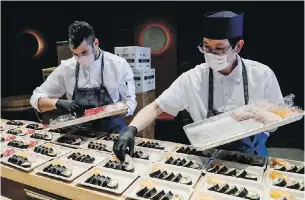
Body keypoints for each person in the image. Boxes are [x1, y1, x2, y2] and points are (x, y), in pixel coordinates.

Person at [113, 11, 284, 161]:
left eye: (219, 49)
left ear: (238, 46)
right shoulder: (193, 78)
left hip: (252, 157)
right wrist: (131, 129)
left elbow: (278, 119)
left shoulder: (262, 75)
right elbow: (156, 107)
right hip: (209, 159)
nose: (210, 54)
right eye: (206, 47)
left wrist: (256, 115)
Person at [30, 21, 137, 134]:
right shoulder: (67, 67)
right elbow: (36, 98)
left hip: (113, 128)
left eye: (84, 52)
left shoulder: (118, 65)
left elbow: (130, 103)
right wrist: (59, 103)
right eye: (75, 54)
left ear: (95, 43)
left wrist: (110, 111)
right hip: (80, 131)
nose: (79, 58)